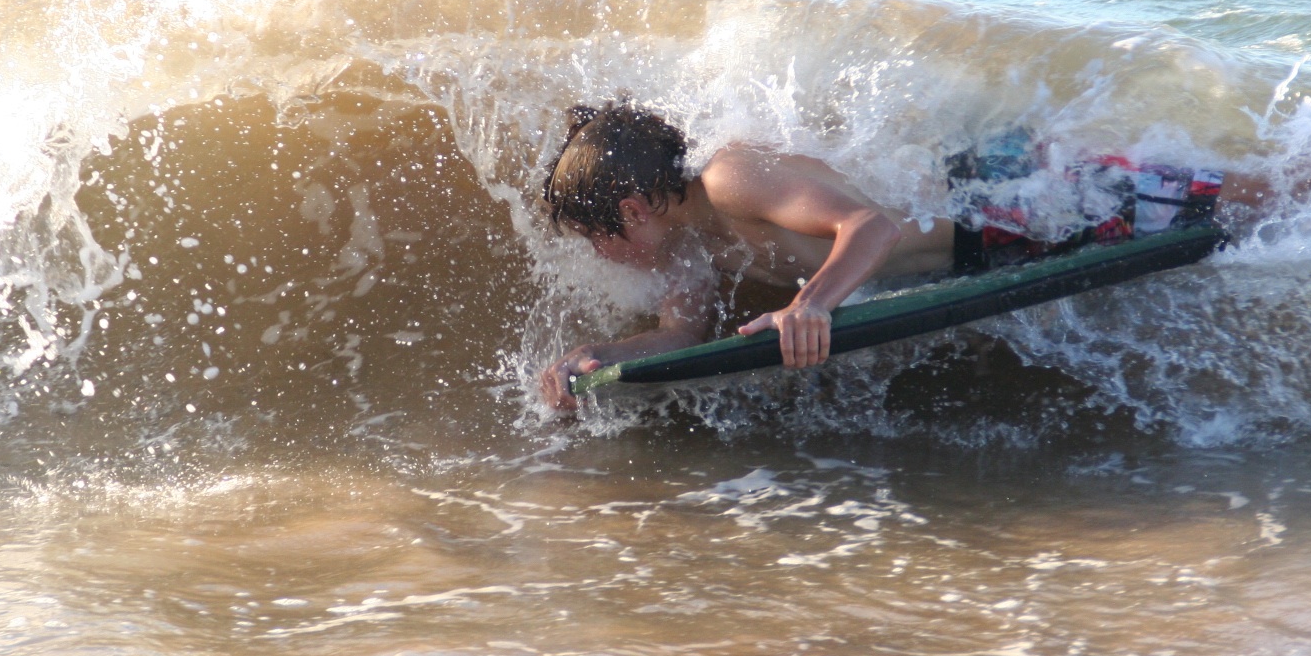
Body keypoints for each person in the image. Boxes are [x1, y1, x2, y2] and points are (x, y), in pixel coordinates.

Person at [537, 104, 1269, 411]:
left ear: (633, 211)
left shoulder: (729, 179)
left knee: (1249, 203)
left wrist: (811, 302)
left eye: (595, 234)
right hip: (978, 243)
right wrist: (600, 356)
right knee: (1218, 205)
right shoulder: (691, 244)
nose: (599, 253)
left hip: (1003, 197)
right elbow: (681, 337)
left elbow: (872, 226)